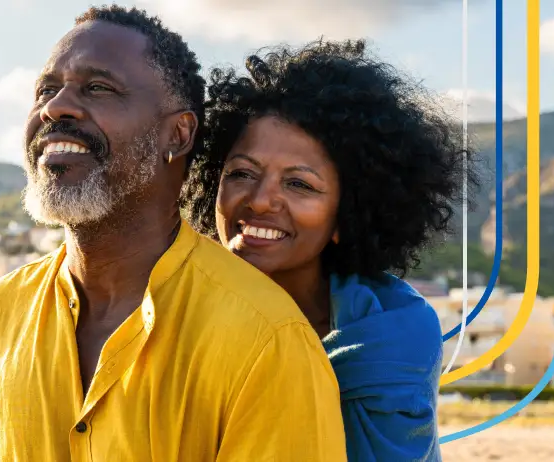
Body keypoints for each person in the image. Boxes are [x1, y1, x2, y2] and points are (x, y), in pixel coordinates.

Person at [0, 7, 346, 462]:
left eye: (98, 88)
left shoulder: (267, 340)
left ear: (177, 133)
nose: (56, 108)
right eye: (46, 90)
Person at [182, 39, 480, 461]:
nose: (261, 200)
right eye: (242, 173)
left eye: (299, 183)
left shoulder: (393, 334)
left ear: (347, 214)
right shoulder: (167, 311)